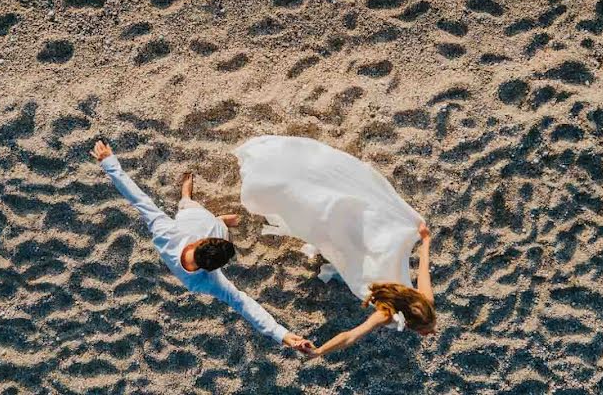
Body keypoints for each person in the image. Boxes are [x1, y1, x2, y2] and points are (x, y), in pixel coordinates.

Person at [90, 140, 313, 353]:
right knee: (202, 213)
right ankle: (214, 217)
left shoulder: (166, 233)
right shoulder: (210, 280)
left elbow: (139, 199)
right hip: (204, 221)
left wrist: (110, 163)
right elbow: (243, 303)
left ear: (199, 242)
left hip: (198, 220)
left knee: (189, 207)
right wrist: (280, 333)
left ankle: (200, 207)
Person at [233, 135, 436, 357]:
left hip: (378, 257)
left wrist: (425, 240)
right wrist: (320, 351)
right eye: (427, 331)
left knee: (347, 231)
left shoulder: (425, 300)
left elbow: (424, 267)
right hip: (363, 268)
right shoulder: (386, 314)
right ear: (408, 323)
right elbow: (350, 336)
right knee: (335, 237)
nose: (431, 332)